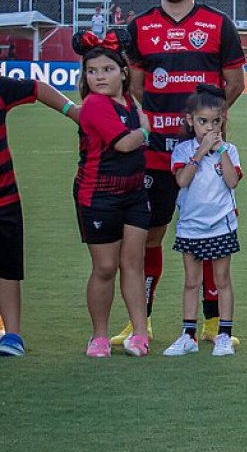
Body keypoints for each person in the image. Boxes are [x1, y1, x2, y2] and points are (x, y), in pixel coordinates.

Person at [118, 0, 245, 348]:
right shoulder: (140, 26)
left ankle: (211, 323)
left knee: (210, 235)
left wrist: (205, 131)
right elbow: (136, 86)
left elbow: (234, 84)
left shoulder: (218, 24)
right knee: (151, 235)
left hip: (207, 157)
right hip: (157, 154)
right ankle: (144, 322)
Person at [73, 30, 152, 357]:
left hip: (134, 193)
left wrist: (142, 126)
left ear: (123, 72)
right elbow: (124, 143)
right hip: (98, 197)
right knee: (105, 267)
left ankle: (139, 334)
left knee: (133, 264)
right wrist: (145, 129)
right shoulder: (93, 105)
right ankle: (99, 337)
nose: (98, 77)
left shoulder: (129, 100)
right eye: (92, 71)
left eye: (106, 70)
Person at [0, 58, 79, 356]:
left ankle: (13, 336)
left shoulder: (2, 86)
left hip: (4, 199)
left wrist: (73, 112)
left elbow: (38, 88)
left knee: (8, 269)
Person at [163, 85, 241, 357]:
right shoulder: (183, 151)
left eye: (215, 121)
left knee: (222, 280)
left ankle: (224, 335)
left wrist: (219, 152)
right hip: (191, 227)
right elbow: (182, 180)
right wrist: (199, 153)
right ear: (190, 121)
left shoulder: (229, 150)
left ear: (223, 121)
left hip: (221, 224)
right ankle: (188, 335)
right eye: (202, 121)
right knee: (191, 282)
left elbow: (232, 181)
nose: (209, 128)